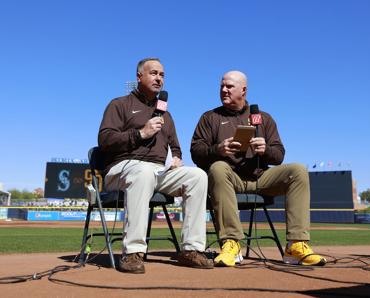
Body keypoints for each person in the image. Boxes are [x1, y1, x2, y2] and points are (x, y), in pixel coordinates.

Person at [190, 70, 326, 267]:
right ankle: (231, 243)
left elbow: (279, 155)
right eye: (222, 86)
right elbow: (196, 152)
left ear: (243, 90)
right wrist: (217, 149)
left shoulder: (262, 118)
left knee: (297, 170)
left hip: (261, 179)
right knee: (218, 167)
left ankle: (296, 245)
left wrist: (266, 150)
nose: (224, 90)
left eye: (229, 86)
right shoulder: (210, 117)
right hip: (229, 179)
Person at [98, 57, 213, 273]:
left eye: (162, 75)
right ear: (139, 76)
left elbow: (176, 148)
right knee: (142, 171)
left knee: (197, 176)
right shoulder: (119, 104)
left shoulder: (166, 115)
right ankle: (133, 253)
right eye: (153, 73)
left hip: (159, 172)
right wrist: (140, 133)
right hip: (122, 168)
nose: (159, 78)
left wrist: (177, 160)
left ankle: (191, 250)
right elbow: (104, 140)